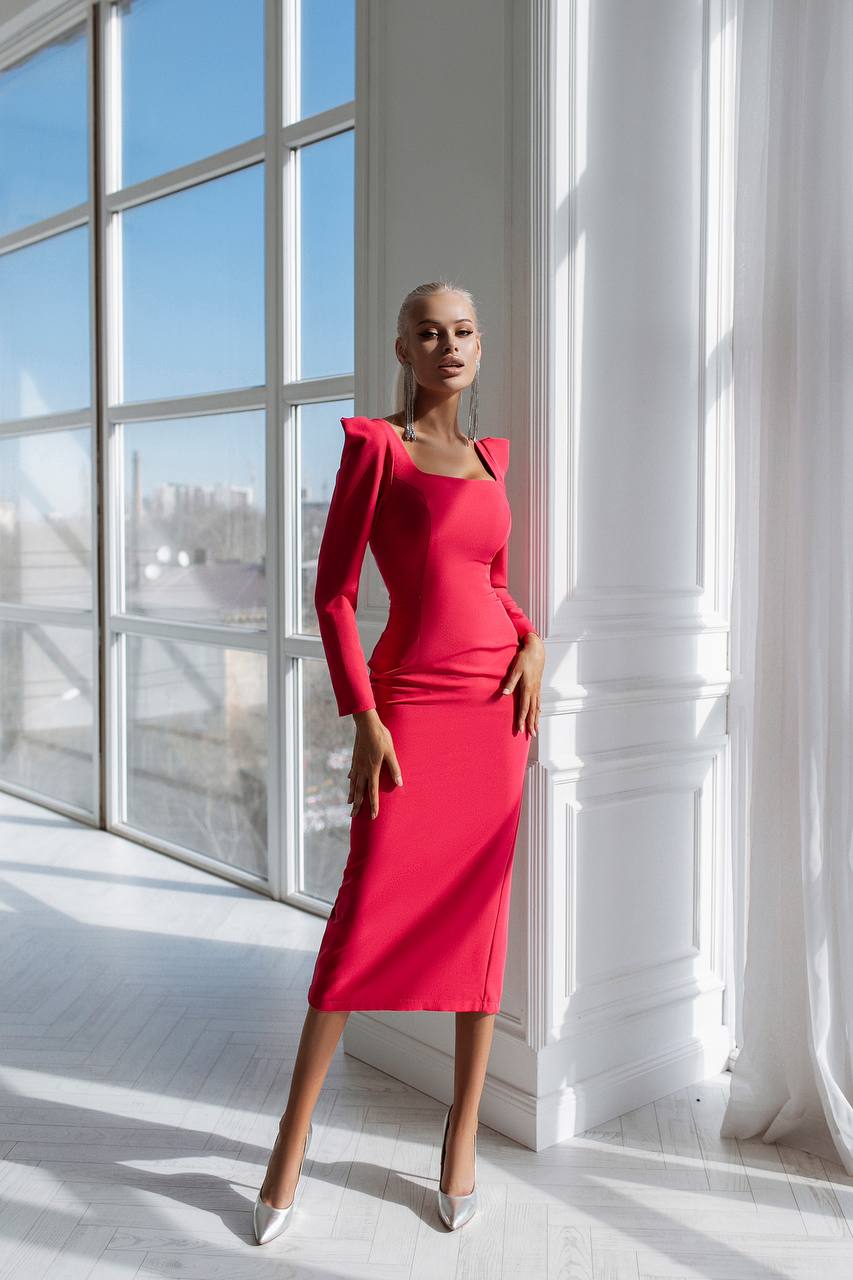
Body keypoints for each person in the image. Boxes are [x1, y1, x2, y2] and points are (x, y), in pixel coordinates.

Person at [254, 280, 545, 1244]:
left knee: (479, 924)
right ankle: (287, 1153)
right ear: (402, 350)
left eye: (464, 329)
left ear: (478, 344)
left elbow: (493, 580)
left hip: (497, 713)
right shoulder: (377, 451)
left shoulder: (491, 461)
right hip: (411, 710)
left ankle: (459, 1140)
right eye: (430, 332)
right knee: (362, 919)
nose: (449, 344)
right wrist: (364, 718)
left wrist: (531, 640)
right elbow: (333, 596)